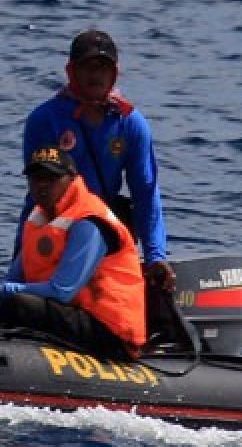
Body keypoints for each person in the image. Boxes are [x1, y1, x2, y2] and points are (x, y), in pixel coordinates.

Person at [0, 147, 146, 358]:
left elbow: (62, 291)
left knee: (19, 303)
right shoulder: (40, 218)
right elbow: (14, 279)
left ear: (71, 179)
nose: (41, 186)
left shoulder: (89, 222)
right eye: (35, 179)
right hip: (70, 313)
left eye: (51, 179)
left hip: (108, 330)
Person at [21, 29, 175, 291]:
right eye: (88, 67)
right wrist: (21, 256)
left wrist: (155, 257)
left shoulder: (131, 124)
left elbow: (146, 193)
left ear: (114, 73)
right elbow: (37, 192)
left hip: (101, 229)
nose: (96, 75)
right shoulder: (45, 119)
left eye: (103, 67)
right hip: (55, 226)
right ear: (72, 72)